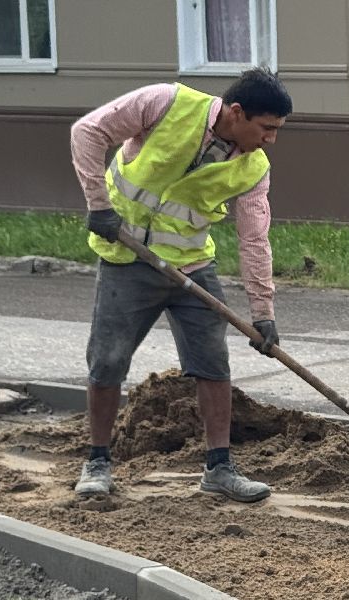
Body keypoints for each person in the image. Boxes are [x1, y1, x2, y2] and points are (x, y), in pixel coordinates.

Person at [69, 66, 293, 503]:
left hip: (191, 268)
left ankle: (219, 468)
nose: (271, 139)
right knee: (108, 359)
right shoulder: (166, 103)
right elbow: (87, 131)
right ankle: (97, 462)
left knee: (213, 362)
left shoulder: (254, 168)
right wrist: (98, 205)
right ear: (236, 112)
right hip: (128, 258)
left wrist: (263, 313)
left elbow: (254, 239)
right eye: (266, 128)